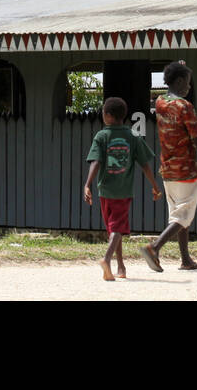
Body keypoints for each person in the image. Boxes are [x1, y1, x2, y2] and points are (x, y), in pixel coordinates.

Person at [142, 60, 197, 273]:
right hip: (186, 169)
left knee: (178, 214)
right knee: (184, 215)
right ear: (180, 80)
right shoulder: (185, 106)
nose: (189, 88)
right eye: (188, 83)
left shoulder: (160, 102)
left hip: (167, 168)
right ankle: (154, 247)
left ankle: (185, 259)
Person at [84, 96, 161, 281]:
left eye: (103, 112)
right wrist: (155, 185)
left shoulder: (101, 136)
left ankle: (121, 267)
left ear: (108, 115)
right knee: (117, 228)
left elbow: (95, 162)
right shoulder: (132, 136)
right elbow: (145, 165)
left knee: (113, 229)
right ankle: (107, 259)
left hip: (104, 190)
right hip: (123, 191)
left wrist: (87, 184)